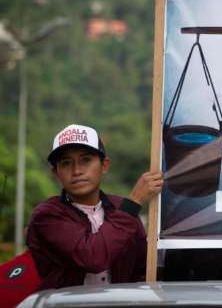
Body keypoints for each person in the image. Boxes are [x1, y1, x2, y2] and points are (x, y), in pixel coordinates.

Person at [26, 124, 163, 290]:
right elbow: (92, 257)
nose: (76, 171)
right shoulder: (47, 215)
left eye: (86, 160)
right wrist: (134, 201)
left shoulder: (121, 207)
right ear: (56, 173)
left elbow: (143, 269)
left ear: (104, 165)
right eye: (66, 163)